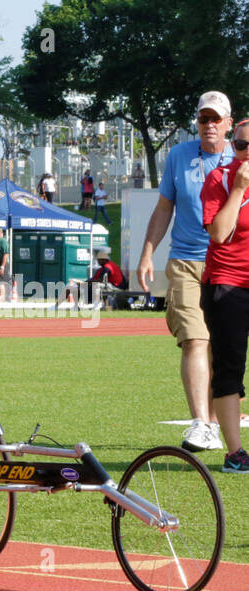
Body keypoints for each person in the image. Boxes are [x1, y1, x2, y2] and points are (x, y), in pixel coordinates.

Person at [137, 91, 235, 453]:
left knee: (223, 346)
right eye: (202, 118)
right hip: (185, 260)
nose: (208, 125)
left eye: (215, 119)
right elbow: (164, 208)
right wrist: (148, 252)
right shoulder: (178, 155)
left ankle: (215, 419)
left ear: (228, 122)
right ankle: (201, 424)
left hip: (229, 264)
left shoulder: (241, 156)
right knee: (195, 338)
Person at [200, 120, 249, 472]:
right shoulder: (220, 179)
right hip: (227, 283)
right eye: (242, 145)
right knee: (230, 365)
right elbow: (219, 233)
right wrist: (238, 191)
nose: (248, 152)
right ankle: (235, 453)